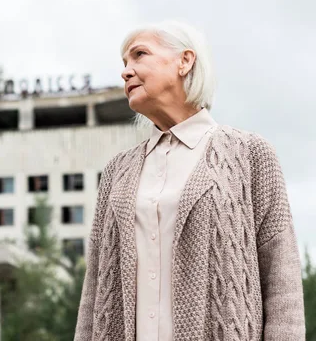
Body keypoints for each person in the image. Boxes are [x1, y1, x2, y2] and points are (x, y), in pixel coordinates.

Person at [74, 21, 305, 340]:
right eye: (124, 64)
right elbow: (94, 291)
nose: (126, 71)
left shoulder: (251, 154)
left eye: (139, 55)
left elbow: (283, 284)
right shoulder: (118, 170)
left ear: (185, 61)